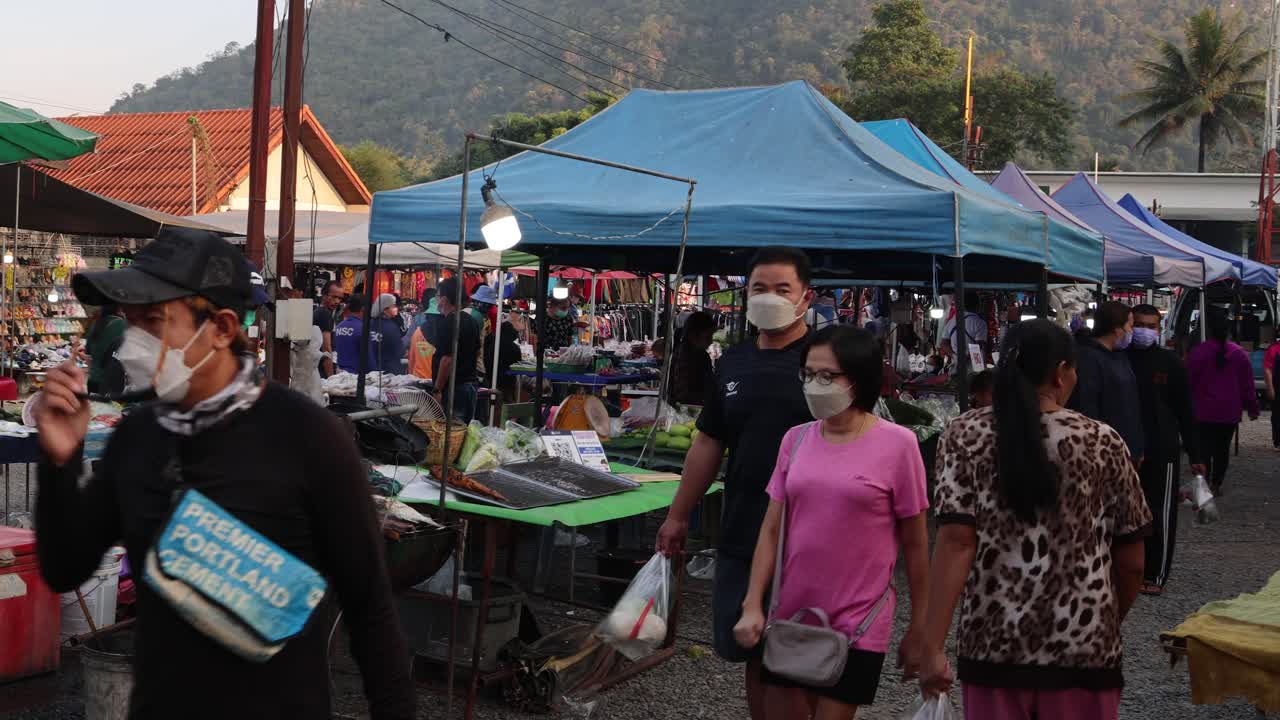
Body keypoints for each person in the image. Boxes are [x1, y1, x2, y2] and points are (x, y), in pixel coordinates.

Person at [33, 228, 413, 718]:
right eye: (131, 322)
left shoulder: (308, 437)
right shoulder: (139, 437)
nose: (133, 342)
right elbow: (64, 568)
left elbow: (370, 607)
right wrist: (60, 462)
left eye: (154, 321)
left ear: (222, 328)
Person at [915, 319, 1150, 720]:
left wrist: (932, 646)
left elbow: (955, 542)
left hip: (992, 646)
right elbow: (1132, 561)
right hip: (1084, 651)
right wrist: (1103, 619)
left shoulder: (964, 434)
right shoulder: (1103, 441)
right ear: (1061, 373)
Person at [733, 325, 929, 719]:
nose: (814, 385)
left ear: (859, 379)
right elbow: (771, 530)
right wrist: (752, 603)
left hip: (860, 622)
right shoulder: (795, 440)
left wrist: (921, 626)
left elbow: (916, 543)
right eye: (808, 374)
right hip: (792, 616)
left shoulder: (899, 445)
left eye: (827, 376)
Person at [656, 246, 814, 720]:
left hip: (812, 534)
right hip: (745, 526)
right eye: (759, 288)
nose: (770, 298)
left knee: (805, 655)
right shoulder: (733, 362)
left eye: (782, 289)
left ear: (806, 297)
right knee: (752, 647)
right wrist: (678, 515)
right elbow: (709, 442)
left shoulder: (826, 360)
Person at [1128, 305, 1205, 594]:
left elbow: (1185, 411)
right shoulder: (1119, 358)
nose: (1144, 331)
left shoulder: (1170, 362)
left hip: (1162, 449)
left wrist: (1196, 454)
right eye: (1139, 325)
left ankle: (1155, 574)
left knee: (1160, 512)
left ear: (1159, 329)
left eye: (1151, 326)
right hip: (1125, 448)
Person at [1186, 308, 1259, 495]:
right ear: (1228, 331)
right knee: (1222, 450)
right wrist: (1252, 408)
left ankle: (1204, 483)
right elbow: (1247, 386)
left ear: (1209, 329)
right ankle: (1216, 484)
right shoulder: (1239, 354)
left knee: (1204, 450)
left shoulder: (1198, 353)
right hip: (1228, 413)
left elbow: (1188, 383)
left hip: (1202, 411)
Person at [1068, 301, 1145, 466]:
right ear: (1118, 330)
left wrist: (1136, 447)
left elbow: (1130, 406)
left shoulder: (1119, 356)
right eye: (1130, 326)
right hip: (1104, 453)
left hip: (1125, 448)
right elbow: (1087, 409)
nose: (1132, 331)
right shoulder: (1089, 359)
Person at [431, 277, 480, 423]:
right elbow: (477, 351)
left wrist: (437, 390)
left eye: (437, 296)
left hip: (454, 390)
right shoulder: (471, 320)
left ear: (444, 299)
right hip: (469, 387)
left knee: (452, 431)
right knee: (464, 431)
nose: (436, 300)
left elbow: (447, 360)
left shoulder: (448, 322)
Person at [667, 311, 715, 406]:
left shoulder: (700, 354)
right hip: (687, 408)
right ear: (693, 335)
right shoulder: (685, 356)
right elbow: (682, 393)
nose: (710, 341)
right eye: (708, 336)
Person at [83, 303, 126, 395]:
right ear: (119, 308)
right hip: (109, 383)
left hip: (92, 380)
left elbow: (87, 353)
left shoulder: (96, 324)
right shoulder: (122, 324)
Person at [333, 295, 372, 374]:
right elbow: (369, 357)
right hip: (356, 375)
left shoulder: (339, 326)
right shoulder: (363, 329)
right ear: (363, 309)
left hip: (339, 374)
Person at [944, 291, 988, 361]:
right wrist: (966, 358)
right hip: (974, 363)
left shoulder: (951, 321)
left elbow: (944, 343)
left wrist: (955, 356)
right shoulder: (980, 323)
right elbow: (979, 345)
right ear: (977, 305)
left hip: (956, 362)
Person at [313, 280, 344, 377]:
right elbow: (326, 348)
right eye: (334, 297)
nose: (337, 301)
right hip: (321, 371)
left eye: (340, 298)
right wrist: (331, 378)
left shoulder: (321, 312)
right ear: (324, 295)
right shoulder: (324, 314)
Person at [371, 293, 406, 375]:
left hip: (371, 370)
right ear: (385, 309)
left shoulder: (368, 324)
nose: (396, 308)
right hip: (390, 371)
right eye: (393, 306)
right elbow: (399, 351)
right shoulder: (391, 327)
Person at [1265, 338, 1280, 450]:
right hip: (1277, 387)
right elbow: (1267, 369)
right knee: (1277, 414)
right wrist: (1270, 388)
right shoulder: (1274, 348)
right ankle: (1278, 441)